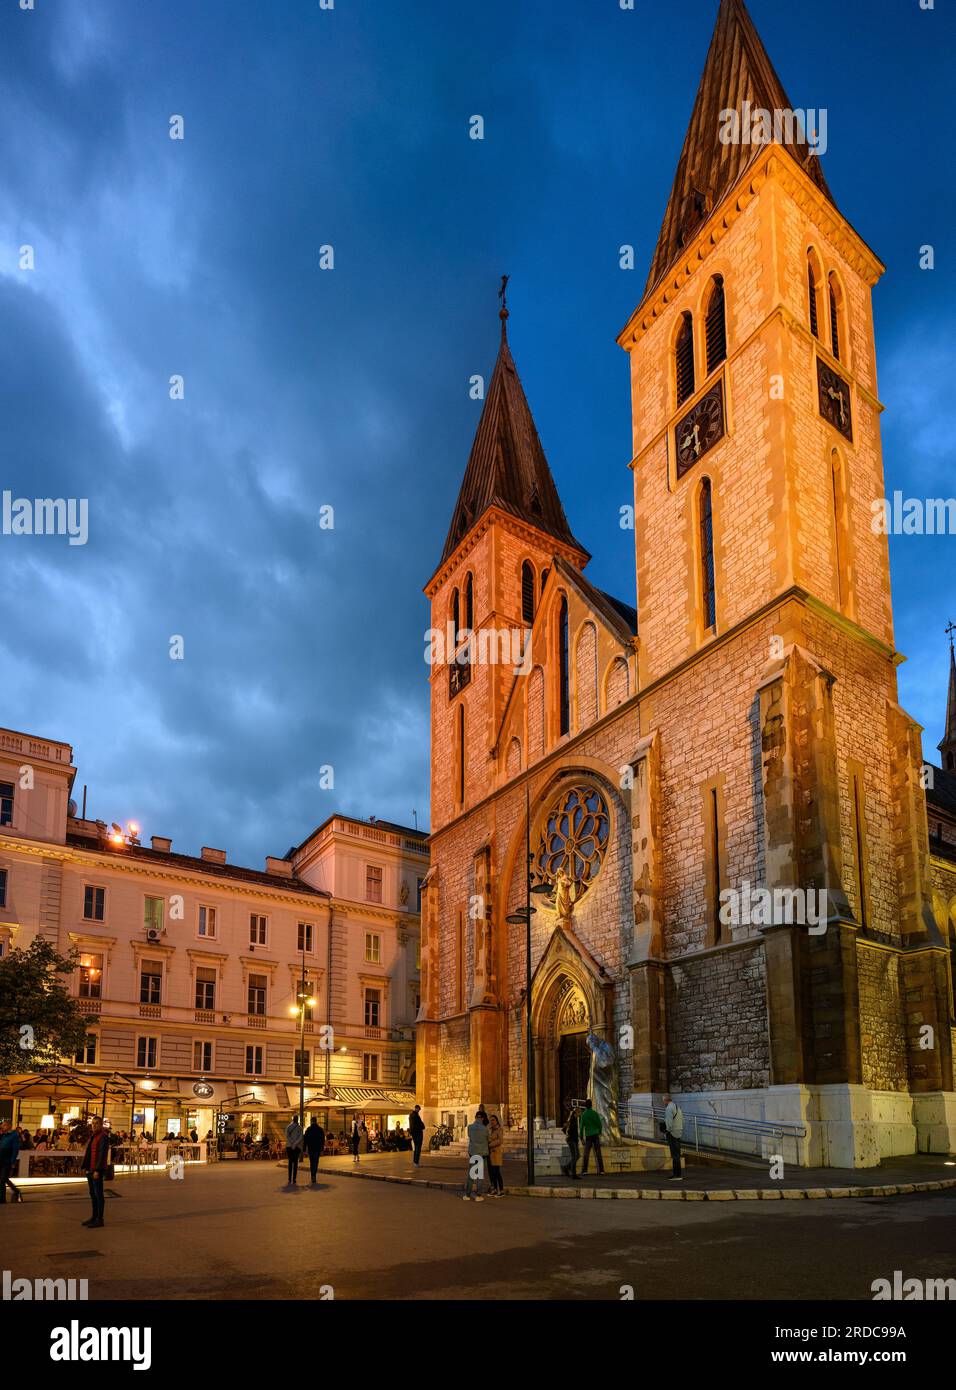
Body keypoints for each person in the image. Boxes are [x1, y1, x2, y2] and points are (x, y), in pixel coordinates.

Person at [81, 1116, 111, 1228]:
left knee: (98, 1195)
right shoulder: (93, 1136)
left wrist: (97, 1170)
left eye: (96, 1123)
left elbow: (102, 1155)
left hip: (96, 1170)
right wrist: (86, 1167)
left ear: (101, 1125)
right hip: (90, 1169)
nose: (94, 1125)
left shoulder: (103, 1137)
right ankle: (94, 1217)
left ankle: (100, 1219)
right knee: (93, 1194)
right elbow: (89, 1153)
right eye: (93, 1123)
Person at [463, 1111, 489, 1202]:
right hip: (481, 1153)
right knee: (479, 1175)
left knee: (471, 1175)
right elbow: (487, 1139)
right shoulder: (485, 1129)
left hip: (473, 1152)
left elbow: (470, 1137)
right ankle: (478, 1195)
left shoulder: (470, 1127)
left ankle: (467, 1195)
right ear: (482, 1118)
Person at [579, 1097, 604, 1175]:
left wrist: (581, 1137)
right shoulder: (595, 1113)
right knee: (598, 1153)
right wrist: (599, 1131)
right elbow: (599, 1124)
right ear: (591, 1105)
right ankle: (602, 1170)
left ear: (585, 1106)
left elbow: (581, 1127)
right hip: (596, 1134)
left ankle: (585, 1171)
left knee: (586, 1154)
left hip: (588, 1136)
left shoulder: (584, 1114)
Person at [0, 1119, 23, 1204]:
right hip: (1, 1159)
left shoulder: (14, 1135)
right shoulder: (4, 1135)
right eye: (2, 1125)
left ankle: (2, 1199)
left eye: (4, 1125)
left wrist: (13, 1161)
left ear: (9, 1126)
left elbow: (15, 1149)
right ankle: (16, 1191)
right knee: (3, 1179)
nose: (2, 1126)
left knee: (2, 1179)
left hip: (7, 1160)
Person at [662, 1093, 684, 1181]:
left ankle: (677, 1175)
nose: (663, 1102)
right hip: (678, 1132)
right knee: (677, 1154)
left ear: (665, 1100)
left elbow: (669, 1123)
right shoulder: (677, 1107)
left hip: (672, 1133)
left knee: (674, 1155)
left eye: (663, 1101)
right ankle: (678, 1174)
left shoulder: (668, 1108)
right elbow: (682, 1119)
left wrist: (666, 1131)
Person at [303, 1117, 325, 1184]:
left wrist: (304, 1149)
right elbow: (322, 1140)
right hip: (317, 1149)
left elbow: (305, 1139)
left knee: (311, 1162)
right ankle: (314, 1175)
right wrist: (322, 1149)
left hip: (310, 1148)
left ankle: (312, 1175)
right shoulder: (320, 1129)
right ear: (316, 1121)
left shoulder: (308, 1129)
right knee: (316, 1162)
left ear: (311, 1121)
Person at [487, 1114, 505, 1195]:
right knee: (491, 1173)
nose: (492, 1122)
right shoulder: (490, 1130)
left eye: (493, 1120)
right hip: (490, 1154)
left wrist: (490, 1145)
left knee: (497, 1172)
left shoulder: (499, 1130)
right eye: (491, 1120)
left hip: (496, 1153)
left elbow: (500, 1140)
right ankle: (494, 1189)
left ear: (497, 1121)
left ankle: (501, 1190)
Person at [284, 1114, 304, 1186]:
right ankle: (294, 1179)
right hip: (297, 1147)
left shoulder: (288, 1127)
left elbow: (287, 1136)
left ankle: (289, 1178)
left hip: (289, 1146)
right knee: (295, 1163)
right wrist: (295, 1144)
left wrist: (292, 1143)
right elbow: (301, 1137)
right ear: (297, 1119)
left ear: (293, 1119)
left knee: (290, 1162)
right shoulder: (300, 1127)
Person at [563, 1108, 580, 1180]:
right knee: (574, 1156)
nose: (579, 1115)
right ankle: (573, 1174)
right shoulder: (572, 1120)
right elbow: (567, 1130)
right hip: (571, 1140)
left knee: (577, 1155)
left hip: (574, 1140)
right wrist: (570, 1136)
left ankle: (566, 1168)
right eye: (579, 1113)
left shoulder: (574, 1120)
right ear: (576, 1113)